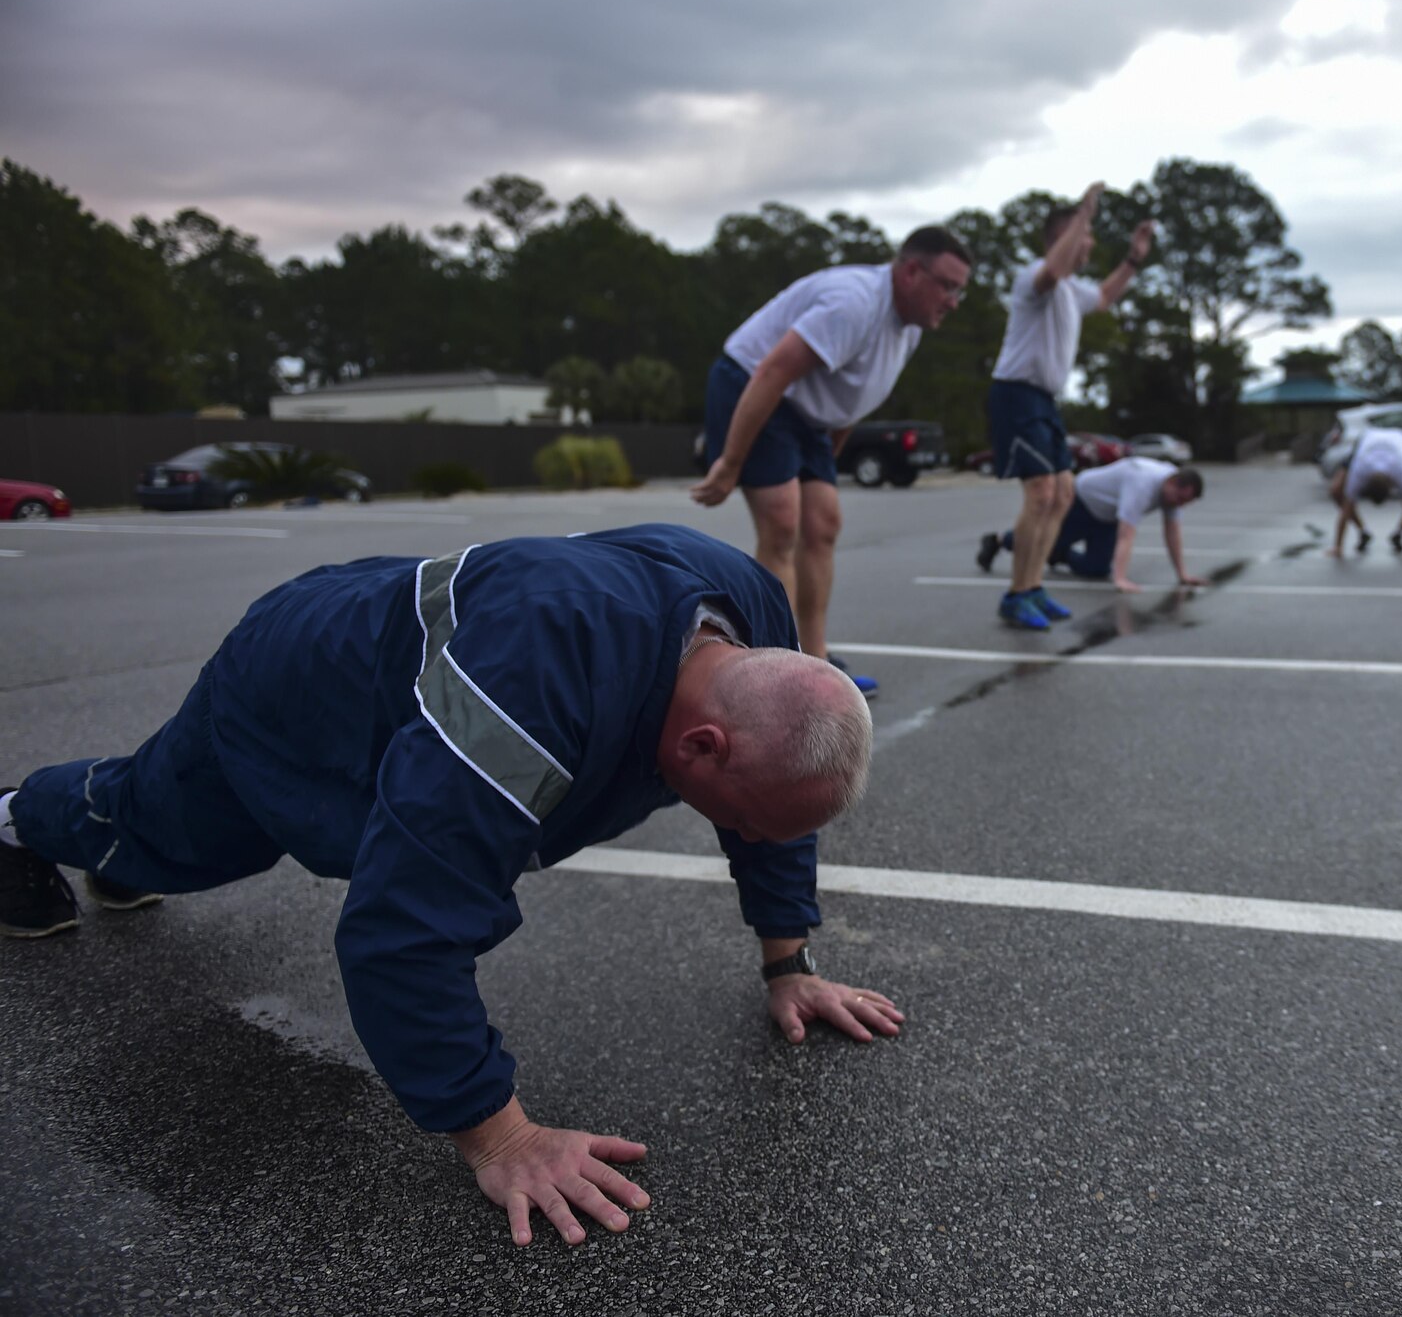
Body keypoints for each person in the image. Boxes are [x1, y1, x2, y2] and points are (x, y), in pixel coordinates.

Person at [0, 525, 900, 1246]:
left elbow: (778, 805)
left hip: (412, 665)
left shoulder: (745, 607)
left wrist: (791, 958)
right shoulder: (529, 702)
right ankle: (17, 818)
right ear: (703, 746)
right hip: (300, 685)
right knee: (160, 828)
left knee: (159, 839)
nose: (738, 837)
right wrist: (499, 1134)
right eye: (736, 820)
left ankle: (124, 858)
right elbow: (401, 931)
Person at [690, 226, 975, 695]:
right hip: (754, 384)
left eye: (959, 289)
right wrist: (730, 460)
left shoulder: (910, 328)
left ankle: (814, 660)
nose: (954, 300)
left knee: (823, 523)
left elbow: (855, 394)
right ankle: (777, 671)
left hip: (807, 411)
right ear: (910, 272)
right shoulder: (854, 303)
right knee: (782, 525)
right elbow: (773, 369)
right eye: (947, 285)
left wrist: (828, 458)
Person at [985, 182, 1156, 629]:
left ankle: (1035, 586)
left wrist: (1134, 257)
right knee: (1040, 492)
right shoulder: (1034, 279)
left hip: (1043, 399)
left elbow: (1103, 297)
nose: (1091, 242)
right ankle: (1016, 594)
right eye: (1085, 234)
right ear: (1063, 238)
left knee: (1062, 493)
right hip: (1015, 394)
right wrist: (1083, 211)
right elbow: (1051, 271)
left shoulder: (1073, 292)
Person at [978, 458, 1206, 596]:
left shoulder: (1172, 491)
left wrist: (1182, 574)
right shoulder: (1142, 483)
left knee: (1097, 569)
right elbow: (1126, 534)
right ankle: (998, 540)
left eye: (1184, 503)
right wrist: (1121, 579)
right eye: (1180, 499)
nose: (1179, 505)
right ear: (1173, 483)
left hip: (1106, 517)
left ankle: (1060, 554)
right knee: (1042, 539)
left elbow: (1172, 532)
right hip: (1081, 501)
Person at [1324, 426, 1402, 559]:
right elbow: (1346, 507)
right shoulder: (1360, 471)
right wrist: (1338, 548)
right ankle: (1363, 532)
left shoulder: (1401, 470)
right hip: (1367, 440)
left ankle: (1399, 532)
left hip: (1401, 440)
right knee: (1335, 490)